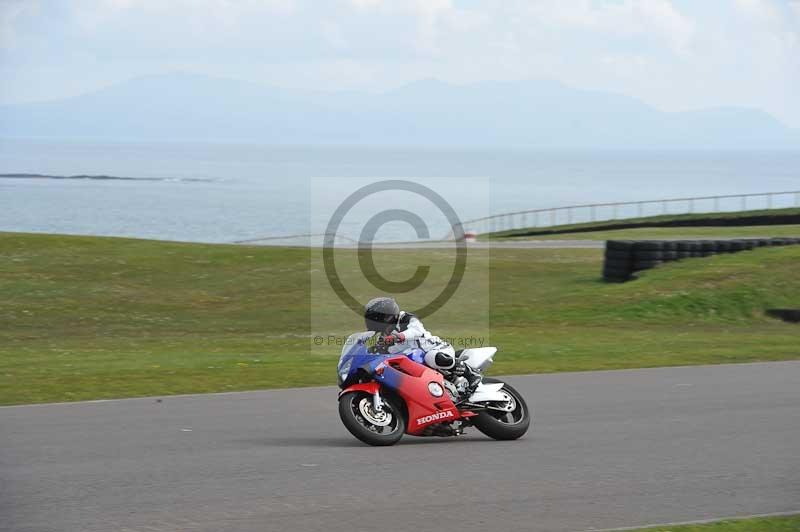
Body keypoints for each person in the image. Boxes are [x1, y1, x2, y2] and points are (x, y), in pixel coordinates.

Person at [363, 296, 481, 393]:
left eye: (374, 319)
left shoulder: (406, 318)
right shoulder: (383, 337)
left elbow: (416, 331)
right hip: (414, 363)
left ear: (385, 316)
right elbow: (380, 354)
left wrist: (396, 337)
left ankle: (471, 373)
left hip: (436, 348)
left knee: (431, 357)